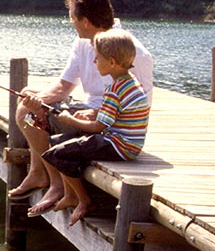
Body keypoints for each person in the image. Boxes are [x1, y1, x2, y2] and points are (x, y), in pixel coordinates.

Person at [5, 0, 153, 218]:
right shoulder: (83, 42)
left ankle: (57, 185)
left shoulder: (134, 52)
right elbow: (64, 86)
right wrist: (38, 101)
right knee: (28, 98)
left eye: (72, 17)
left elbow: (140, 106)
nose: (71, 22)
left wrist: (90, 116)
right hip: (92, 113)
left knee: (31, 114)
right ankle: (39, 173)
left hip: (108, 126)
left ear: (84, 21)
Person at [40, 29, 150, 226]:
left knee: (56, 154)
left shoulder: (115, 89)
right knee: (55, 141)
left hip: (119, 145)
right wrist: (89, 113)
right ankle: (70, 194)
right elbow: (111, 115)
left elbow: (98, 127)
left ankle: (83, 200)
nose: (94, 62)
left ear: (112, 62)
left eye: (97, 58)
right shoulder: (129, 82)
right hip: (122, 140)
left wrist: (70, 119)